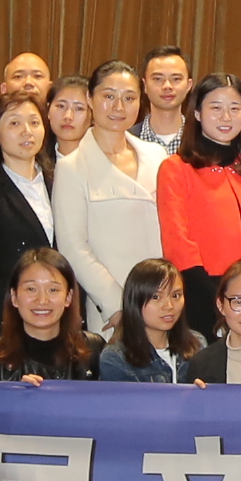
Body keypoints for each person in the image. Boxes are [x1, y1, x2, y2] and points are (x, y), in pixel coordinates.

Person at [157, 74, 241, 338]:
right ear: (198, 113)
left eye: (235, 108)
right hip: (203, 294)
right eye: (216, 108)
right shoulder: (176, 169)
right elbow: (177, 242)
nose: (226, 117)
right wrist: (219, 299)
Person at [56, 58, 166, 336]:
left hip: (164, 299)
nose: (119, 107)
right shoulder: (72, 167)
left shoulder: (157, 156)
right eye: (109, 96)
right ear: (89, 99)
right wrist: (117, 305)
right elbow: (73, 247)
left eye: (129, 98)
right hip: (113, 310)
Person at [0, 86, 61, 340]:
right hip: (6, 323)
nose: (27, 131)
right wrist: (23, 317)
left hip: (58, 318)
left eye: (34, 122)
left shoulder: (60, 181)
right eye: (14, 123)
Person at [0, 244, 91, 382]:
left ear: (68, 297)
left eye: (53, 290)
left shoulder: (92, 351)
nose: (42, 300)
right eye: (31, 289)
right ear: (14, 296)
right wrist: (16, 393)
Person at [94, 257, 202, 383]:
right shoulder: (116, 358)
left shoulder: (197, 344)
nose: (169, 306)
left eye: (175, 295)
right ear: (135, 300)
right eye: (156, 297)